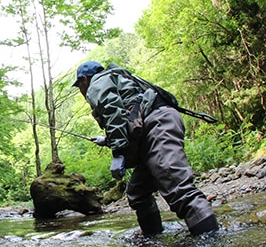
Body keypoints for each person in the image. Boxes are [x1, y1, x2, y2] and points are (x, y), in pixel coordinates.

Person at [73, 60, 218, 236]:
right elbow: (129, 114)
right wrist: (107, 140)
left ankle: (212, 244)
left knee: (178, 186)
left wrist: (118, 154)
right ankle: (153, 238)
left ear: (84, 80)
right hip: (155, 128)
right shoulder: (117, 78)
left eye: (79, 85)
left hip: (157, 125)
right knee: (137, 191)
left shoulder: (97, 83)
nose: (80, 91)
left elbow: (113, 112)